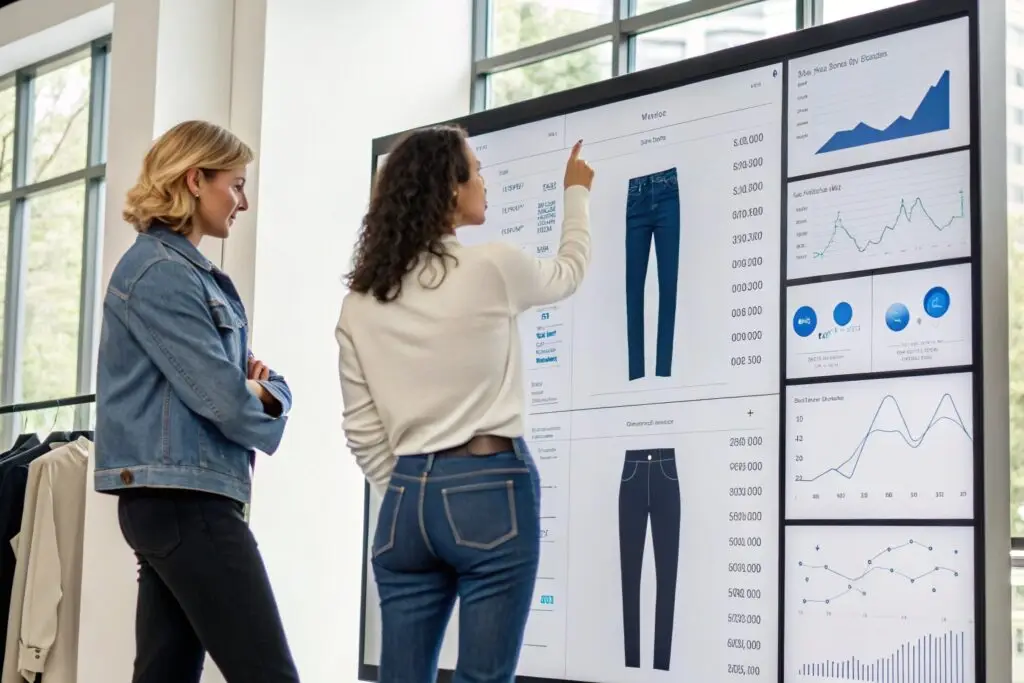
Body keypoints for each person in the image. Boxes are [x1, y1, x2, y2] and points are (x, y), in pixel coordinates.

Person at [336, 124, 595, 682]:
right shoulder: (492, 267)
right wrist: (576, 194)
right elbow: (568, 272)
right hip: (489, 486)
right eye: (476, 170)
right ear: (450, 190)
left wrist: (411, 486)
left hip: (404, 501)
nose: (484, 180)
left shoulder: (360, 302)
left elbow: (360, 427)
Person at [94, 120, 300, 683]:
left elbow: (249, 384)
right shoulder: (163, 274)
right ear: (194, 179)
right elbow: (231, 400)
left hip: (176, 498)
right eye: (235, 184)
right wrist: (268, 392)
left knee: (165, 675)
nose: (244, 201)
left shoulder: (186, 275)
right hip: (186, 500)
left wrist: (263, 387)